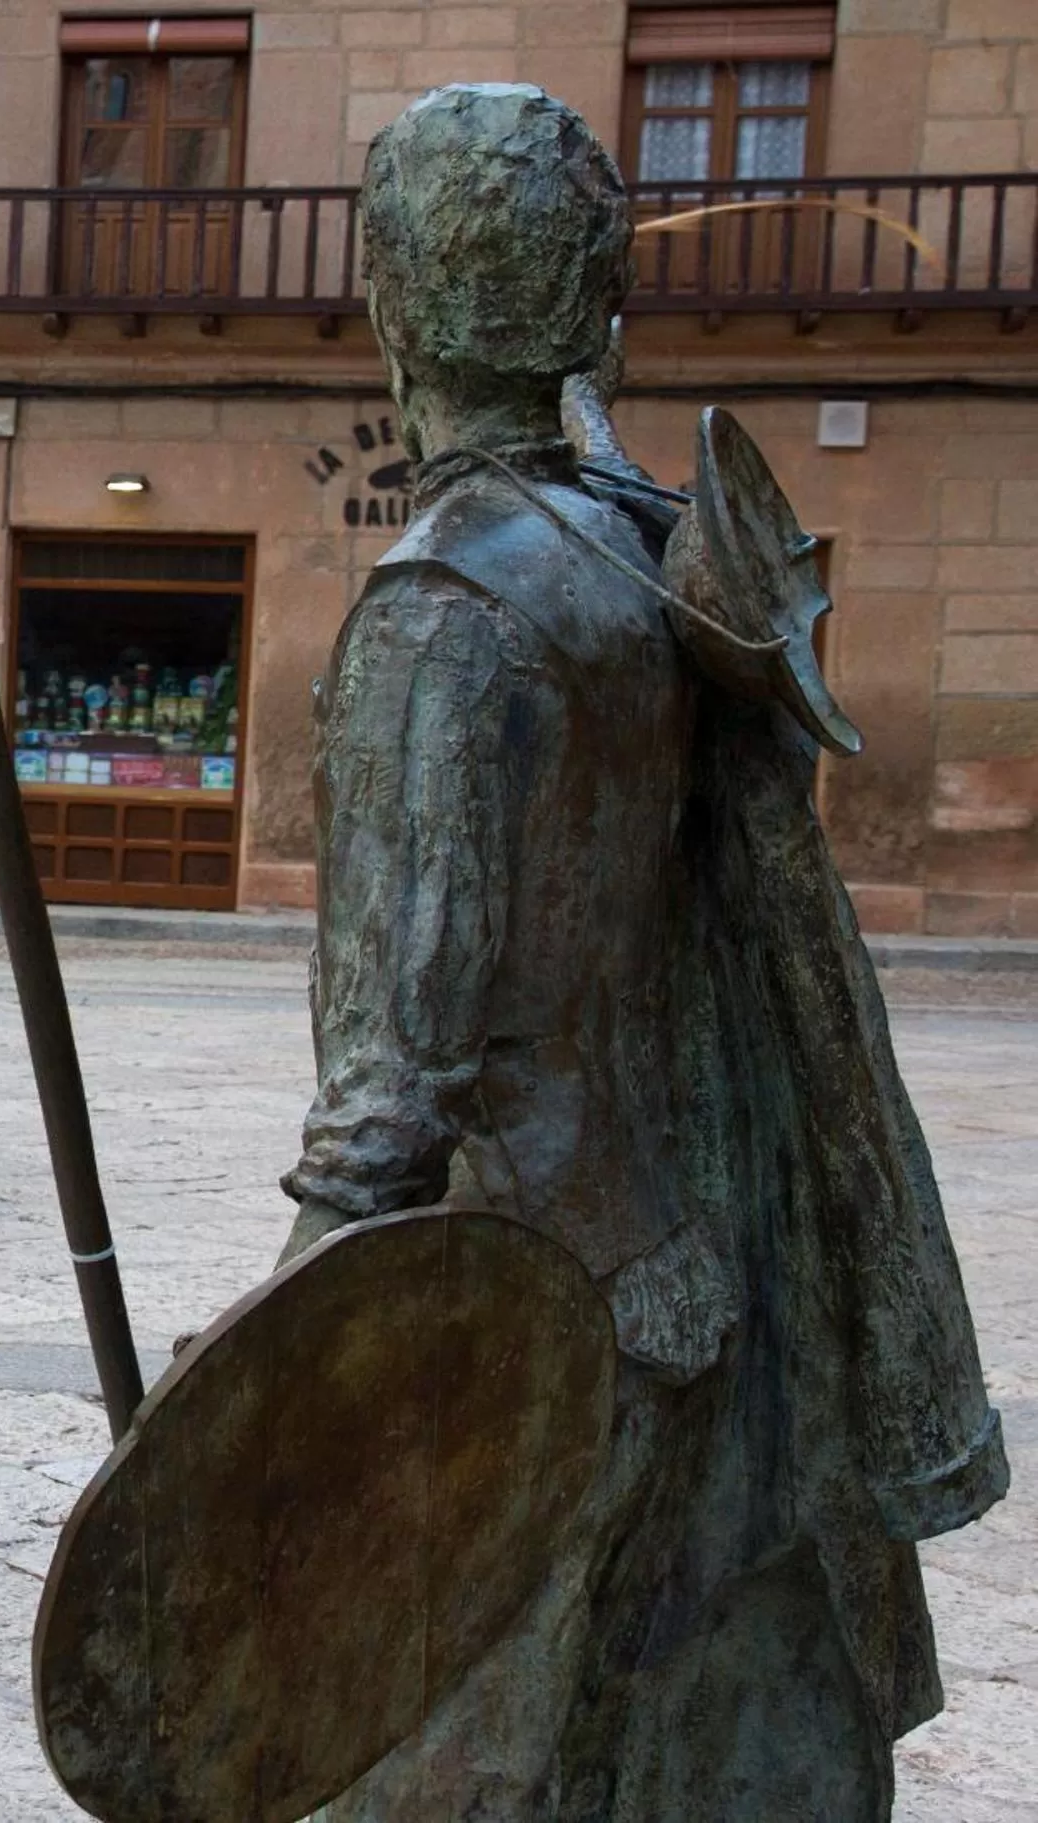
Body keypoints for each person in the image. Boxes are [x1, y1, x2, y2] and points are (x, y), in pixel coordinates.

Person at [285, 84, 1003, 1819]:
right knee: (645, 1711)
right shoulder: (645, 560)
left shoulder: (445, 610)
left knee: (469, 1740)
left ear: (387, 297)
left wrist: (258, 1390)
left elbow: (395, 1085)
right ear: (597, 311)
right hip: (696, 1259)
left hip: (517, 1299)